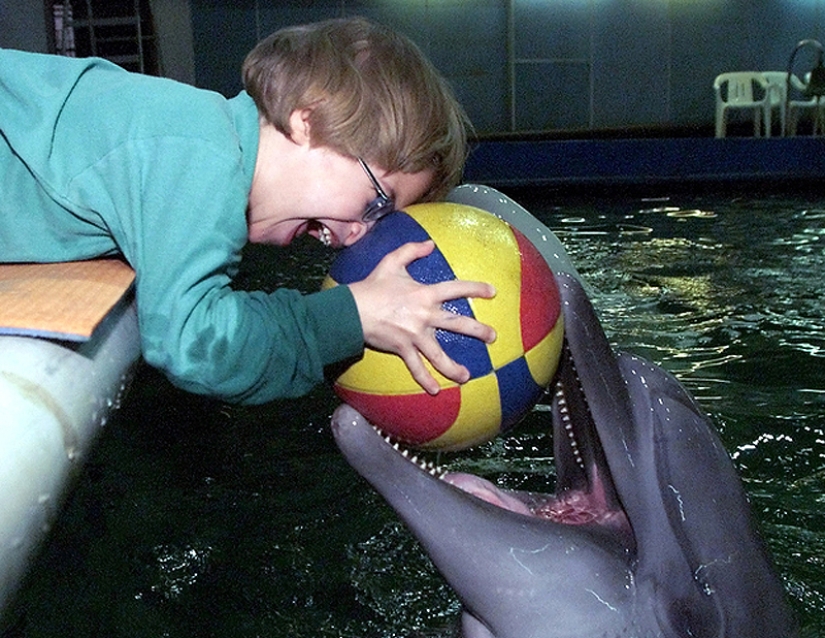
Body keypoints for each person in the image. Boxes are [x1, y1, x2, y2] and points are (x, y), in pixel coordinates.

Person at [0, 17, 496, 404]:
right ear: (311, 120)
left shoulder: (191, 136)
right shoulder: (202, 155)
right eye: (376, 201)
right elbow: (194, 343)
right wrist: (352, 316)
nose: (356, 236)